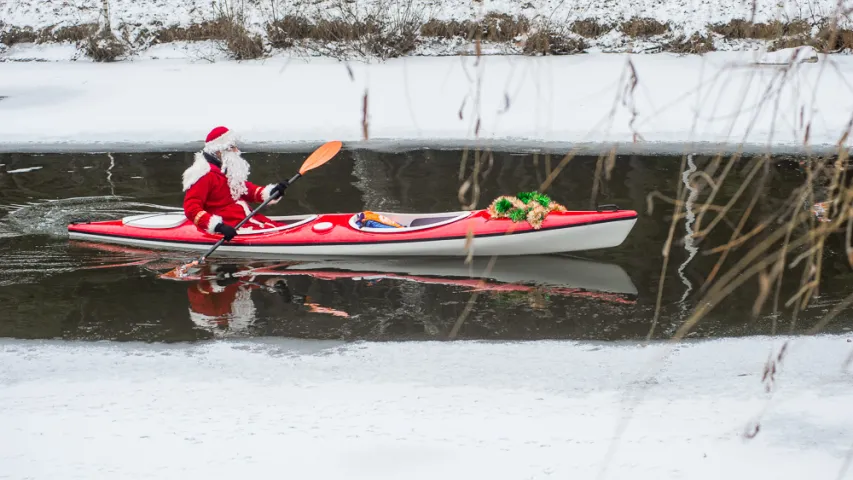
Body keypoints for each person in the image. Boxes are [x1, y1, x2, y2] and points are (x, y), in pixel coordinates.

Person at [182, 126, 288, 240]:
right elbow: (191, 208)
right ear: (219, 150)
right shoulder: (202, 174)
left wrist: (271, 192)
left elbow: (244, 189)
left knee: (276, 227)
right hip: (229, 225)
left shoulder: (224, 167)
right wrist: (218, 226)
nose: (237, 151)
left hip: (244, 219)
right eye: (232, 147)